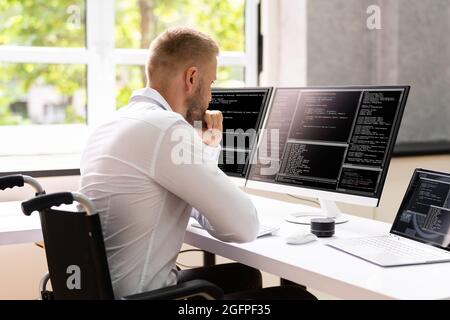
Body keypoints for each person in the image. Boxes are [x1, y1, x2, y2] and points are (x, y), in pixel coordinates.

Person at [79, 26, 316, 300]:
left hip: (105, 292)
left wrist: (205, 147)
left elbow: (190, 206)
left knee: (245, 276)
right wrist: (204, 150)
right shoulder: (167, 128)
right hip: (147, 299)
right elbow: (244, 227)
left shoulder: (112, 124)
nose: (211, 97)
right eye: (212, 84)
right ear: (192, 77)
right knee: (297, 299)